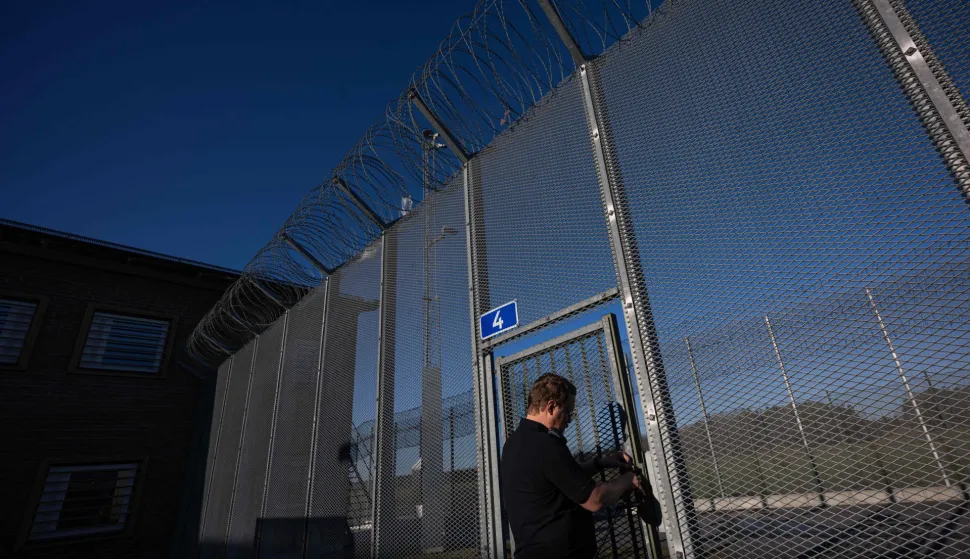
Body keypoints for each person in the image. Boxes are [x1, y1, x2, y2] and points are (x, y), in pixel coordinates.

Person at [500, 373, 640, 558]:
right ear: (551, 406)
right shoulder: (546, 444)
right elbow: (594, 500)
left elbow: (560, 478)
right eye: (568, 411)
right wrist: (628, 480)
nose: (570, 419)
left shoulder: (514, 444)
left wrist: (600, 463)